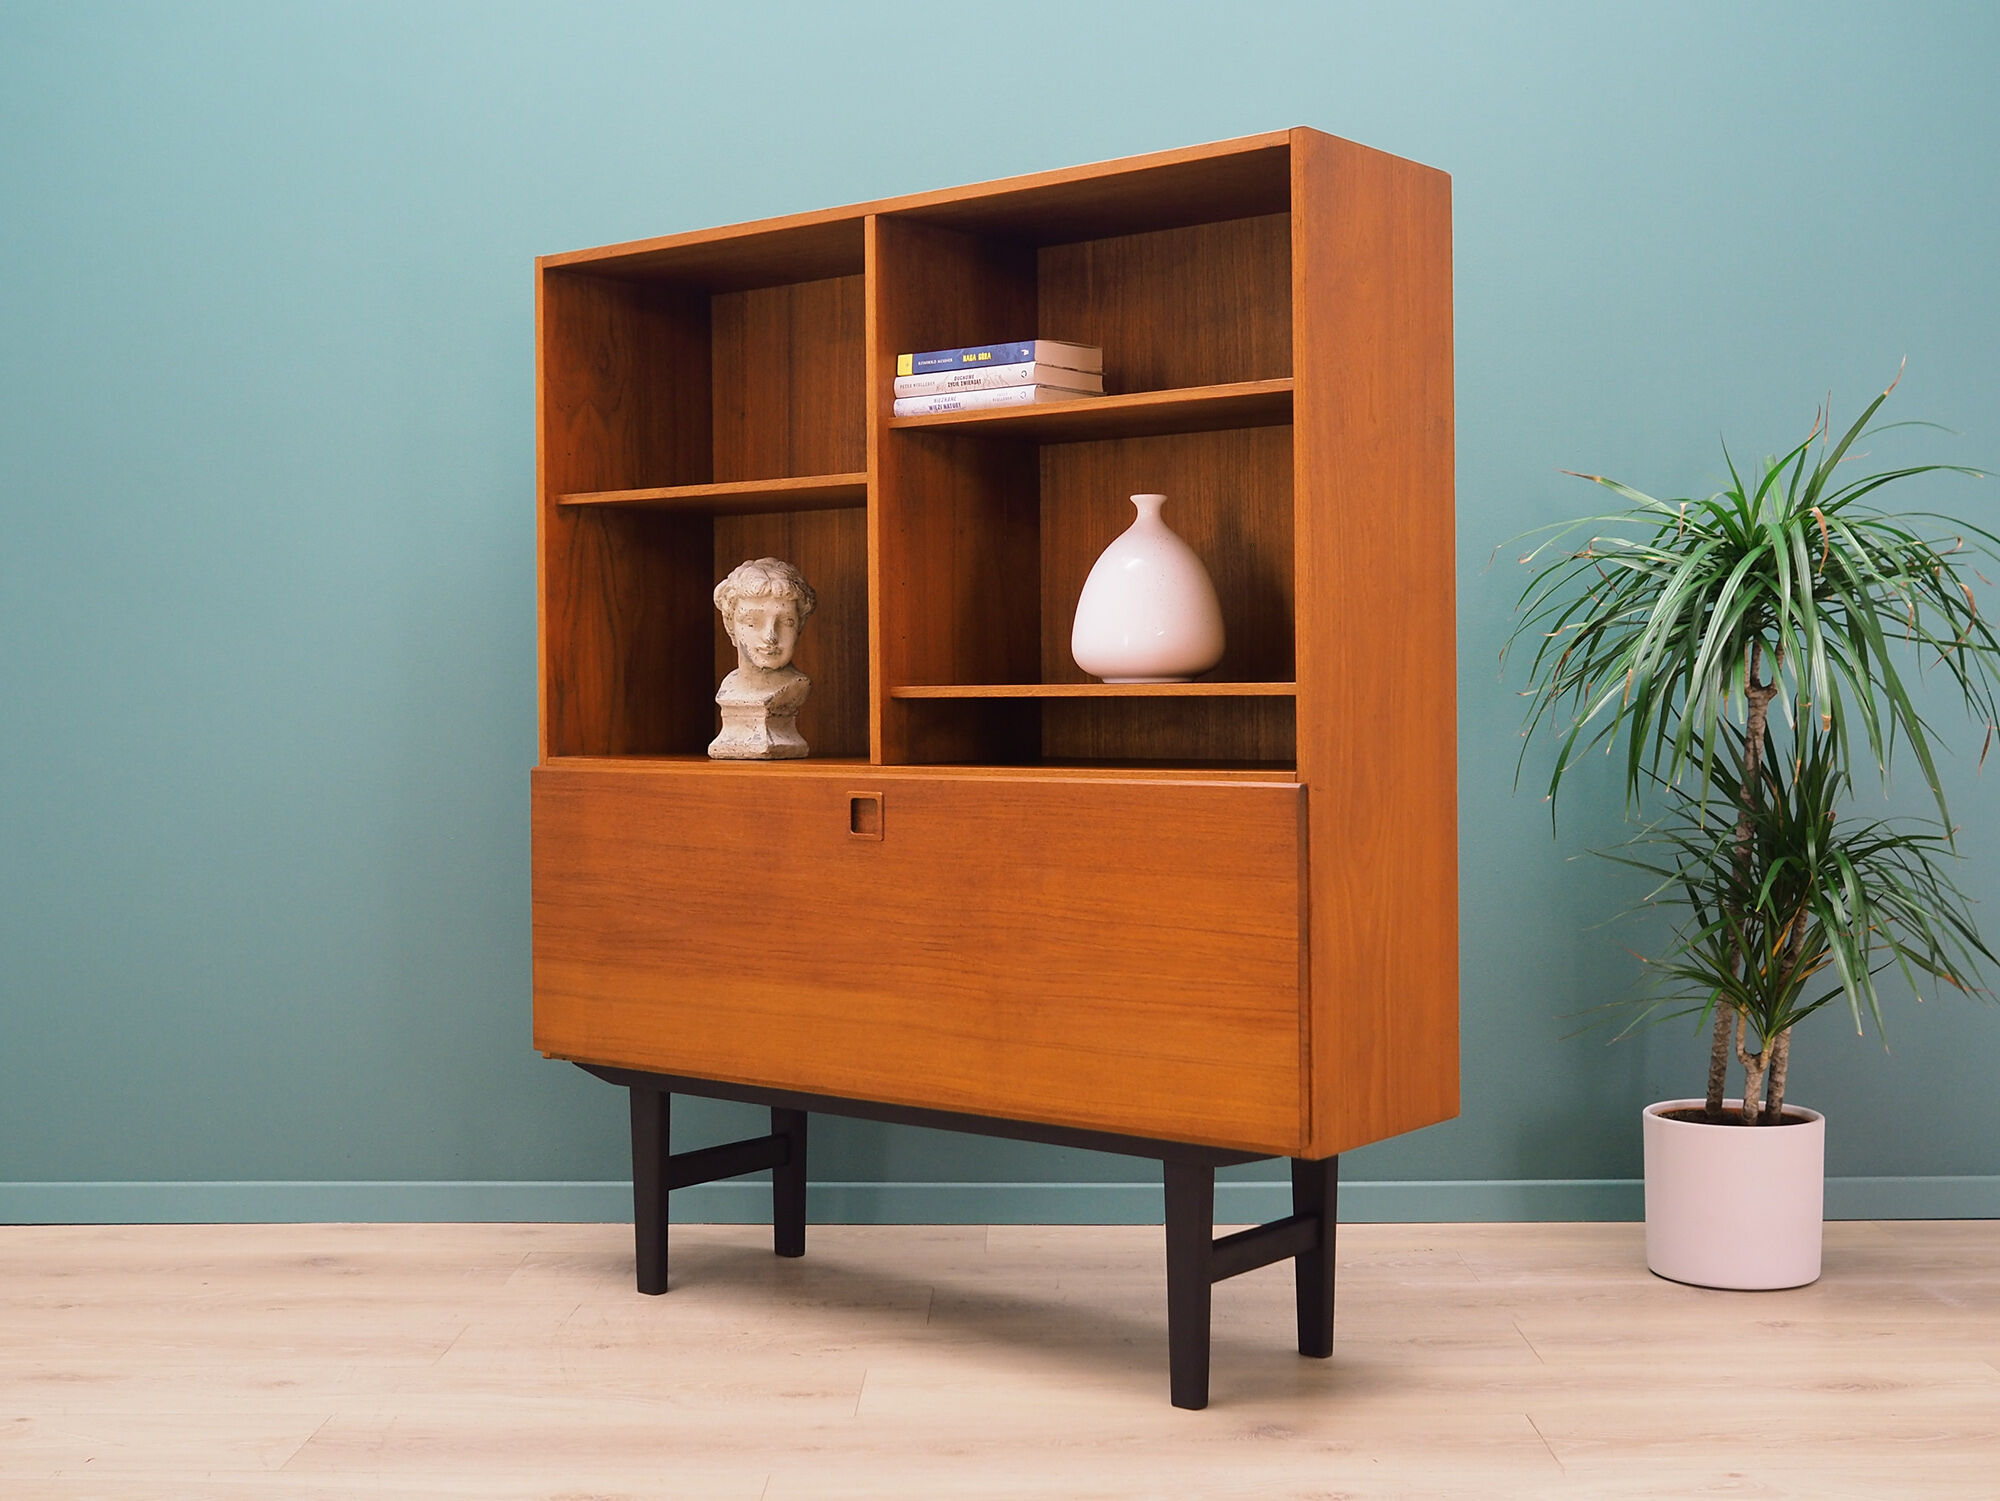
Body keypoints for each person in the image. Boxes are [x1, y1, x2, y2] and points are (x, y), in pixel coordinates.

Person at [708, 557, 816, 759]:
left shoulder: (796, 686)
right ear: (730, 625)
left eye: (786, 622)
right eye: (752, 622)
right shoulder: (729, 686)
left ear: (800, 627)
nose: (770, 636)